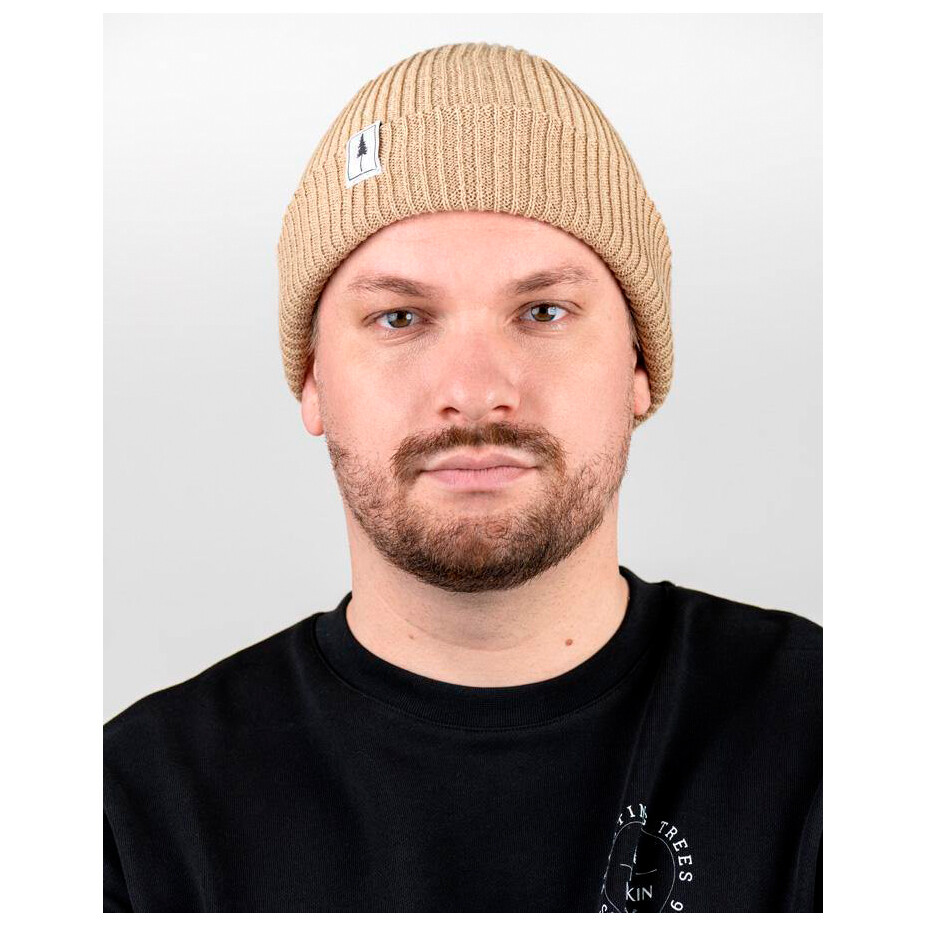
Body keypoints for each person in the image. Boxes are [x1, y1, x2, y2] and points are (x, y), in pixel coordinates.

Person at [103, 42, 821, 913]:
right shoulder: (131, 815)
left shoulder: (834, 741)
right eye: (399, 317)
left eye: (543, 311)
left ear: (639, 365)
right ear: (313, 380)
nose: (476, 390)